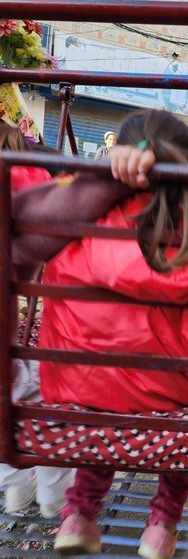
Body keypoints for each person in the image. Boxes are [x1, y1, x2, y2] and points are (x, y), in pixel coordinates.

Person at [21, 110, 188, 559]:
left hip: (84, 400)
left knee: (105, 415)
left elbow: (57, 322)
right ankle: (163, 526)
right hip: (168, 409)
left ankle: (79, 515)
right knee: (186, 416)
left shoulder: (79, 234)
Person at [0, 121, 75, 518]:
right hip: (17, 297)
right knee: (41, 392)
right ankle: (53, 495)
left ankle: (16, 486)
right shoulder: (31, 175)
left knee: (12, 387)